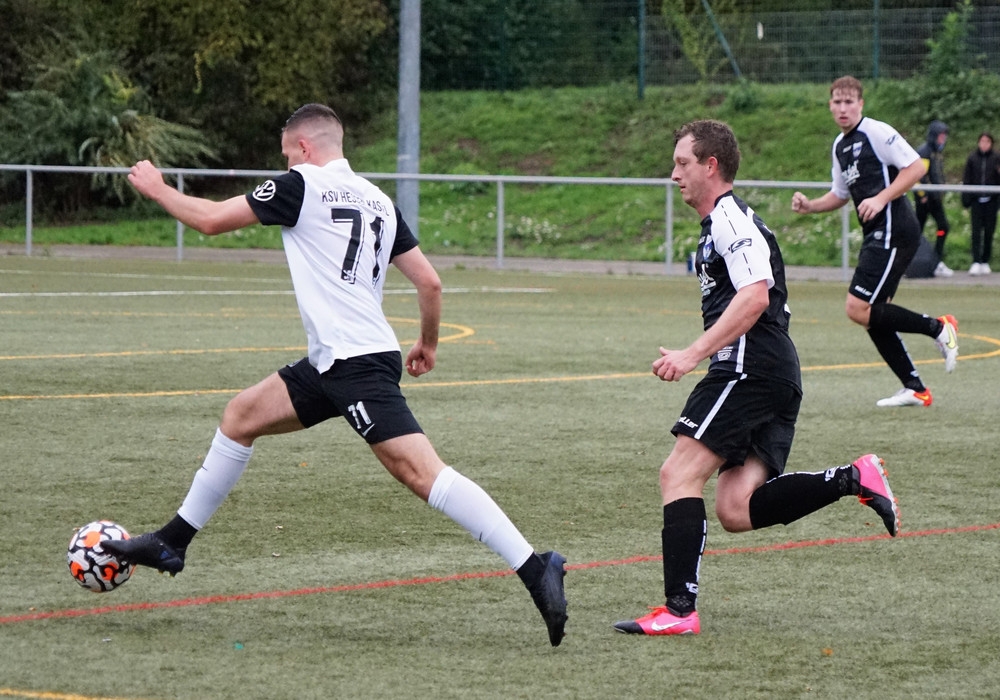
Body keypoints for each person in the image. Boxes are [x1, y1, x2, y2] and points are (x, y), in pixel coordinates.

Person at [103, 103, 568, 647]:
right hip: (336, 360)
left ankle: (535, 566)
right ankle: (173, 541)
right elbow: (430, 282)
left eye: (286, 153)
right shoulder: (379, 199)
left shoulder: (300, 185)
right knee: (241, 416)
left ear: (303, 147)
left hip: (355, 364)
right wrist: (428, 343)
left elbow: (208, 220)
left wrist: (158, 188)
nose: (284, 163)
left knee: (423, 475)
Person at [613, 119, 900, 637]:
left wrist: (693, 354)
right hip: (771, 370)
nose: (673, 174)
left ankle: (679, 610)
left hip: (749, 367)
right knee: (736, 508)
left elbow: (754, 296)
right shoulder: (719, 224)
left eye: (682, 163)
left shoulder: (730, 218)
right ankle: (852, 478)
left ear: (711, 166)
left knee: (677, 475)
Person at [791, 76, 959, 408]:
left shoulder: (876, 132)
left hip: (895, 228)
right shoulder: (840, 146)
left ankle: (939, 328)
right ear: (830, 106)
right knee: (873, 312)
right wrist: (810, 206)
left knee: (857, 307)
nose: (843, 108)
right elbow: (840, 194)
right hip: (878, 233)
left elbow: (914, 168)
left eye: (849, 102)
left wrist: (881, 198)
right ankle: (915, 388)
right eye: (837, 102)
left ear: (860, 104)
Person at [913, 120, 953, 277]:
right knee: (917, 231)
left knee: (942, 228)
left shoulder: (937, 153)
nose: (943, 139)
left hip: (935, 198)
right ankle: (912, 261)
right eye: (941, 136)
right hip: (926, 199)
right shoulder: (924, 151)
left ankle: (936, 260)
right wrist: (922, 195)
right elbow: (917, 176)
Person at [962, 131, 1000, 276]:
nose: (984, 144)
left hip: (991, 201)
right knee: (976, 232)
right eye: (982, 141)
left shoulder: (996, 158)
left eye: (987, 141)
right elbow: (967, 178)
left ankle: (985, 260)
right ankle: (976, 261)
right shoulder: (972, 158)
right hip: (976, 201)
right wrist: (966, 199)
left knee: (989, 231)